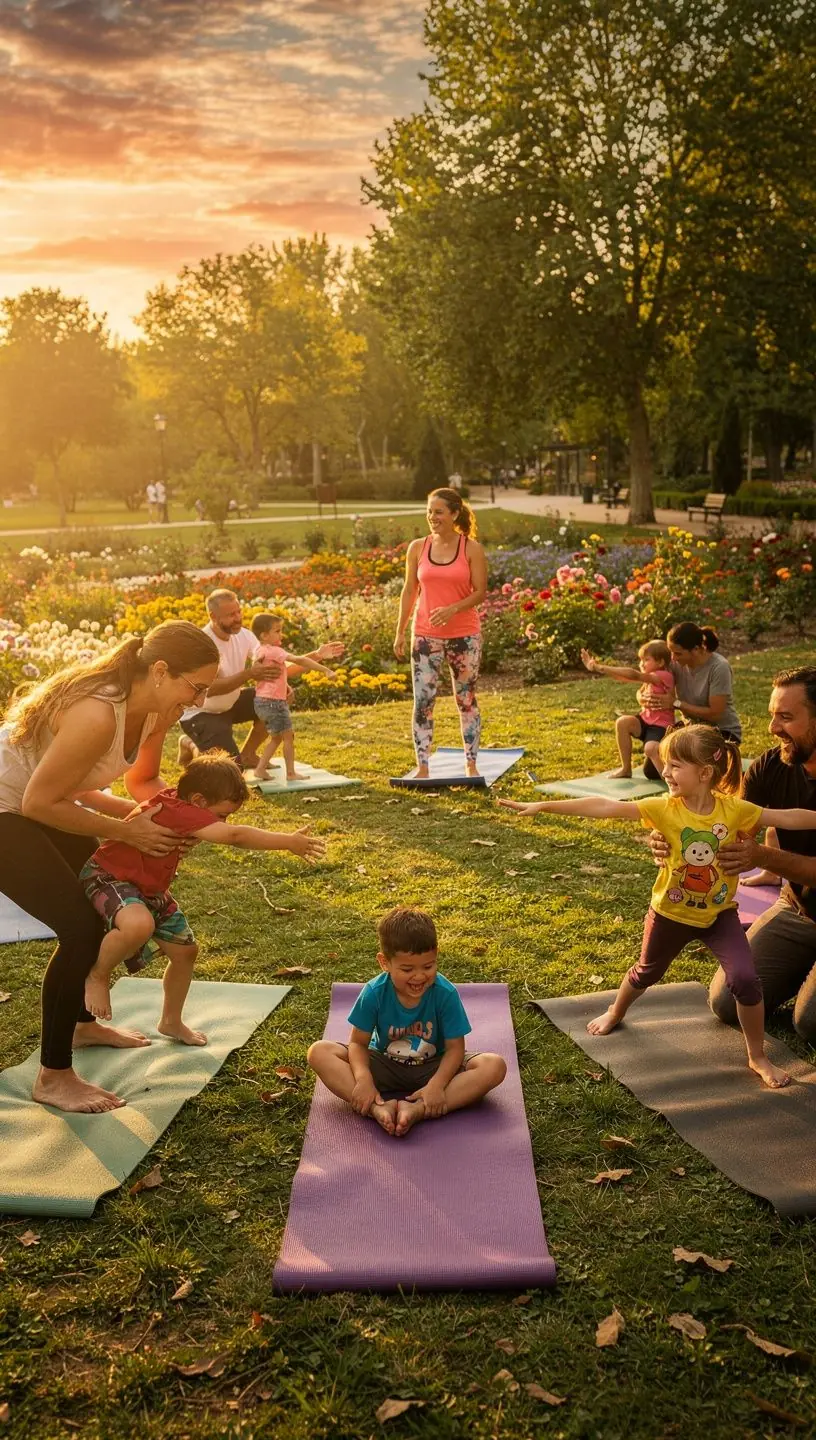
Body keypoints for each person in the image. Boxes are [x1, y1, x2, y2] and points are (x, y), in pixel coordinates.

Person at [497, 723, 816, 1088]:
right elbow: (605, 807)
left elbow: (788, 816)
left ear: (705, 773)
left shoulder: (735, 810)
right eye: (665, 764)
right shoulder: (662, 808)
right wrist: (544, 804)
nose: (665, 772)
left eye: (675, 765)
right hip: (670, 915)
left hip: (719, 916)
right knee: (646, 972)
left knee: (745, 979)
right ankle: (616, 1010)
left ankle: (757, 1056)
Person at [0, 620, 222, 1113]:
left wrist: (174, 820)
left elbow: (144, 783)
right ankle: (53, 1076)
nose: (199, 701)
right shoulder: (98, 713)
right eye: (197, 687)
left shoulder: (155, 712)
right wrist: (129, 831)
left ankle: (80, 1024)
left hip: (41, 801)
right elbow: (39, 802)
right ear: (161, 670)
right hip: (7, 810)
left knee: (102, 909)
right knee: (79, 927)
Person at [81, 752, 325, 1042]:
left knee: (185, 953)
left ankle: (171, 1021)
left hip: (149, 888)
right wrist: (289, 842)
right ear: (198, 802)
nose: (223, 821)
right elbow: (235, 836)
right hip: (110, 877)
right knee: (137, 925)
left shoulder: (179, 802)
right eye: (221, 815)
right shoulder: (181, 811)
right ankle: (98, 975)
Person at [648, 667, 816, 1040]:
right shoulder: (773, 765)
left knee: (810, 1023)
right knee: (727, 1001)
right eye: (773, 714)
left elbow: (757, 853)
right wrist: (670, 839)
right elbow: (725, 833)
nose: (773, 727)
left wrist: (765, 857)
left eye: (786, 717)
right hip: (799, 909)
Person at [306, 906, 506, 1137]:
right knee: (318, 1052)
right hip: (384, 1063)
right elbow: (358, 1043)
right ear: (384, 962)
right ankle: (376, 1108)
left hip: (435, 1065)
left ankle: (418, 1109)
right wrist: (363, 1080)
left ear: (436, 955)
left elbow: (455, 1049)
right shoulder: (374, 992)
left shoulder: (445, 993)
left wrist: (437, 1085)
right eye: (407, 969)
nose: (419, 976)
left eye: (428, 966)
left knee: (494, 1065)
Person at [393, 489, 489, 779]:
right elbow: (409, 591)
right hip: (424, 635)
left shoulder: (471, 549)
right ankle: (422, 766)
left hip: (464, 635)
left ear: (454, 514)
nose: (432, 517)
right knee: (423, 701)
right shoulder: (417, 548)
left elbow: (481, 592)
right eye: (429, 511)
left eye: (438, 512)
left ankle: (471, 763)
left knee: (466, 699)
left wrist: (452, 609)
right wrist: (400, 632)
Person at [640, 621, 741, 781]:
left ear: (696, 649)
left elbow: (716, 713)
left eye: (678, 653)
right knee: (651, 771)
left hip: (721, 731)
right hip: (690, 728)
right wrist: (642, 697)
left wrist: (676, 703)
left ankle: (724, 761)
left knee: (694, 773)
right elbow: (649, 681)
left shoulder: (719, 667)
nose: (672, 658)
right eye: (671, 651)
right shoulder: (676, 663)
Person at [250, 613, 338, 783]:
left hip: (261, 702)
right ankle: (290, 773)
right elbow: (300, 660)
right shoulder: (274, 651)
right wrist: (325, 670)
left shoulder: (260, 650)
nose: (281, 635)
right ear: (264, 635)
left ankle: (260, 768)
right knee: (288, 737)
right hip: (273, 703)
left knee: (276, 737)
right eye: (277, 631)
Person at [581, 640, 676, 779]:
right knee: (623, 722)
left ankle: (671, 780)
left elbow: (633, 674)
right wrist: (596, 668)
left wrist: (600, 667)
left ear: (661, 662)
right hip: (645, 721)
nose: (641, 664)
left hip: (660, 727)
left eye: (646, 660)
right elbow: (623, 677)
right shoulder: (650, 677)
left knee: (650, 749)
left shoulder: (663, 675)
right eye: (641, 660)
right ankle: (626, 769)